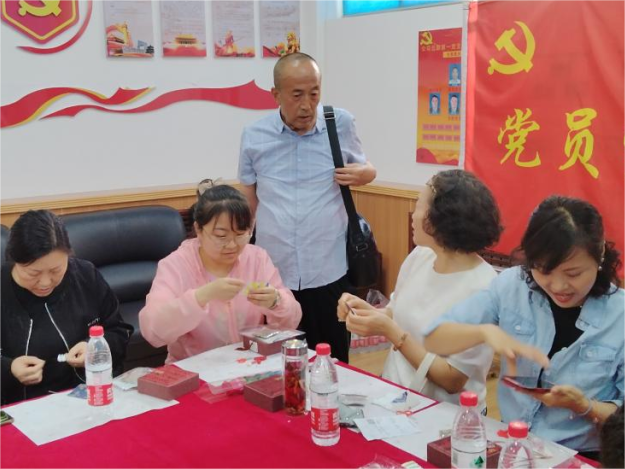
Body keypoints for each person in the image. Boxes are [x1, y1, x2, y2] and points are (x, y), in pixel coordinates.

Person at [423, 196, 625, 457]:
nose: (558, 286)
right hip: (512, 445)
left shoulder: (619, 315)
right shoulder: (512, 286)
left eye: (573, 274)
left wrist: (583, 405)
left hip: (580, 455)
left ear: (600, 256)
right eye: (543, 270)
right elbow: (433, 338)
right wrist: (484, 332)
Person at [238, 52, 376, 362]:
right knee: (275, 362)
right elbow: (248, 197)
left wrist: (365, 174)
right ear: (276, 94)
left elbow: (366, 168)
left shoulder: (339, 123)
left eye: (314, 93)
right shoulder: (254, 136)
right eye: (297, 94)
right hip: (275, 272)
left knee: (332, 360)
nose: (307, 105)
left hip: (329, 267)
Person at [337, 170, 502, 411]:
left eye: (418, 206)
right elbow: (395, 311)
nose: (413, 216)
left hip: (448, 416)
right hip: (395, 398)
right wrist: (365, 312)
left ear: (440, 220)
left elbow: (452, 379)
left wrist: (390, 331)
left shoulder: (483, 288)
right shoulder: (422, 255)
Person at [139, 184, 302, 363]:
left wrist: (276, 302)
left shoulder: (257, 258)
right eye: (221, 236)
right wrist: (201, 297)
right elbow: (152, 330)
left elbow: (291, 322)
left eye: (241, 234)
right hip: (194, 368)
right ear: (199, 230)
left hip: (249, 364)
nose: (232, 245)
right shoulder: (176, 265)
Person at [0, 210, 132, 405]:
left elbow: (119, 331)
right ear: (14, 261)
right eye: (33, 273)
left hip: (87, 398)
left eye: (56, 270)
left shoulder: (86, 275)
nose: (45, 283)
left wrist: (94, 349)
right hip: (21, 407)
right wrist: (8, 368)